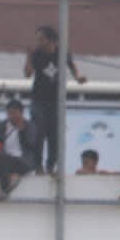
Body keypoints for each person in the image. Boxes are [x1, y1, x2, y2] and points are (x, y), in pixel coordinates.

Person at [25, 25, 87, 173]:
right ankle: (37, 165)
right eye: (37, 39)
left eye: (41, 39)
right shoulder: (36, 54)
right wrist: (28, 57)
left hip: (56, 101)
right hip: (39, 100)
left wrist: (78, 78)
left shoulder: (62, 53)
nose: (38, 42)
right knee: (38, 132)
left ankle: (51, 165)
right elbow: (28, 74)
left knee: (55, 135)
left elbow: (72, 67)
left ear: (51, 40)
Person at [0, 100, 42, 199]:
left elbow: (31, 144)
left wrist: (22, 131)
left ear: (22, 113)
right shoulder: (3, 125)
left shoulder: (30, 126)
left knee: (2, 158)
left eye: (14, 113)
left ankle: (5, 189)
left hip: (22, 161)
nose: (12, 116)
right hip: (4, 160)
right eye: (9, 113)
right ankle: (11, 177)